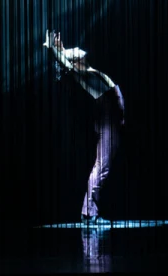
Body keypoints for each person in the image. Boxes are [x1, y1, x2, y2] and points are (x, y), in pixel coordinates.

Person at [44, 30, 124, 226]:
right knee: (102, 167)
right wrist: (53, 49)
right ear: (75, 61)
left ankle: (90, 211)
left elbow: (65, 59)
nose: (79, 50)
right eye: (74, 52)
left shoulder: (87, 73)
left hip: (111, 123)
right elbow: (64, 63)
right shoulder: (81, 76)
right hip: (108, 124)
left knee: (103, 166)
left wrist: (59, 48)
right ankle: (89, 213)